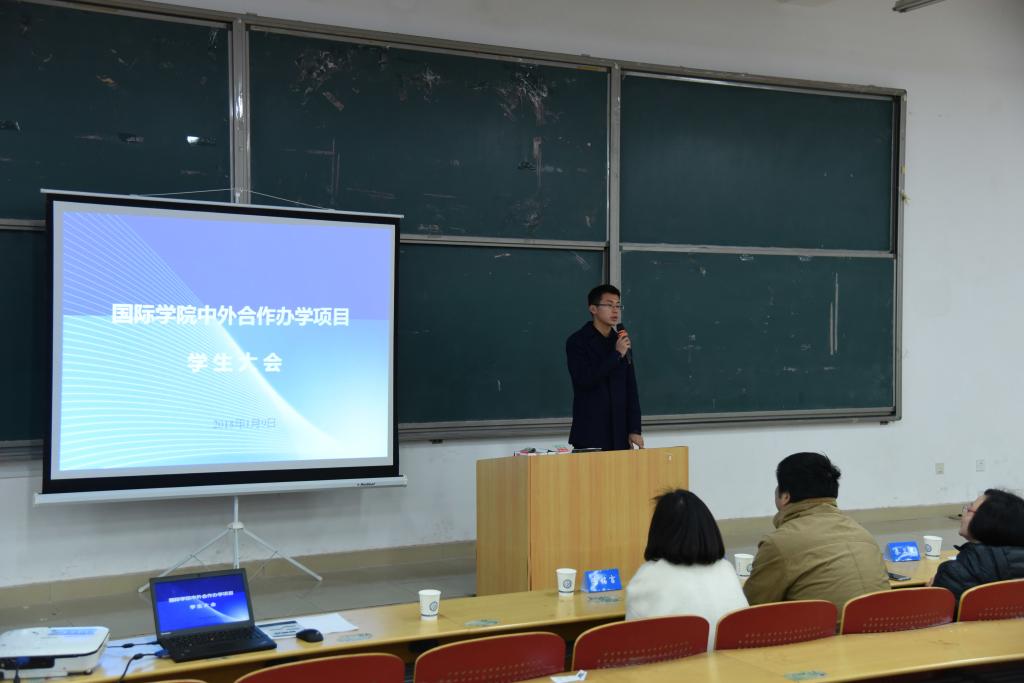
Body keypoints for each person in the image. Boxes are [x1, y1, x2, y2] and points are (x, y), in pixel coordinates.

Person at [742, 452, 889, 612]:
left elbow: (750, 609)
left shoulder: (778, 543)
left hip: (824, 628)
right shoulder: (862, 533)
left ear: (785, 496)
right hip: (880, 626)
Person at [626, 489, 747, 646]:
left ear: (658, 531)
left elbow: (632, 645)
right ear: (708, 528)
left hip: (674, 662)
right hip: (734, 661)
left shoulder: (647, 577)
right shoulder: (726, 570)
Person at [566, 284, 642, 452]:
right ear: (593, 309)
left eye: (618, 305)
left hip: (620, 432)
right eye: (609, 305)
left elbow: (631, 388)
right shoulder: (578, 342)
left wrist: (634, 429)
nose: (615, 310)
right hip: (591, 431)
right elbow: (585, 379)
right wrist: (616, 355)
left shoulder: (621, 342)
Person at [930, 489, 1024, 604]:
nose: (963, 514)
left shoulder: (954, 572)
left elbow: (936, 611)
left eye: (969, 509)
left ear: (986, 520)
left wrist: (932, 590)